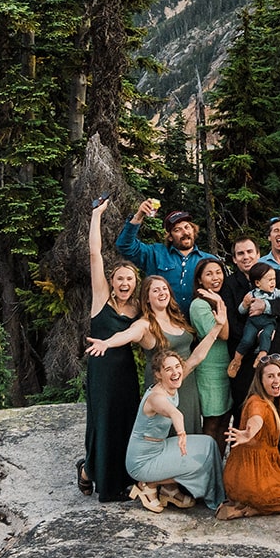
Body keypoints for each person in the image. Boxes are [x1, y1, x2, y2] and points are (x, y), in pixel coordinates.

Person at [87, 273, 218, 437]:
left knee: (188, 428)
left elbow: (196, 357)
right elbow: (127, 334)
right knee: (168, 431)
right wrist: (107, 343)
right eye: (156, 290)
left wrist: (218, 326)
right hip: (163, 385)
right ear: (147, 298)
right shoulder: (145, 325)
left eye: (164, 289)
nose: (162, 293)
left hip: (187, 383)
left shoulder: (178, 319)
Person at [80, 198, 140, 502]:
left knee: (126, 420)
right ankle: (95, 472)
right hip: (101, 371)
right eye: (120, 279)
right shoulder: (101, 299)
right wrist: (96, 215)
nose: (125, 283)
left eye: (130, 279)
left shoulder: (138, 308)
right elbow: (94, 254)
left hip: (125, 370)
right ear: (112, 282)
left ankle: (120, 476)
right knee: (102, 422)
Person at [123, 333, 224, 513]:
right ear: (158, 374)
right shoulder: (156, 397)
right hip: (142, 461)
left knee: (209, 445)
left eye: (177, 366)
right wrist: (181, 434)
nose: (175, 372)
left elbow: (196, 358)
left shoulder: (173, 381)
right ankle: (147, 485)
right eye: (168, 369)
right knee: (199, 463)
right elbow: (174, 413)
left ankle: (207, 495)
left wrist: (216, 328)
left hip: (159, 448)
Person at [218, 356, 280, 519]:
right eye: (270, 376)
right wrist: (249, 433)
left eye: (279, 375)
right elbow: (256, 419)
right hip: (252, 478)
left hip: (245, 475)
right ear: (260, 380)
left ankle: (243, 503)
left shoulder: (268, 401)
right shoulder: (257, 403)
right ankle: (250, 510)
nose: (277, 380)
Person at [114, 201, 218, 314]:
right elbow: (125, 246)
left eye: (187, 227)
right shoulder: (155, 253)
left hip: (199, 325)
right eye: (177, 230)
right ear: (170, 237)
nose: (184, 232)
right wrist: (139, 216)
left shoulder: (209, 261)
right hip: (162, 325)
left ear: (193, 230)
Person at [187, 258, 233, 444]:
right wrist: (220, 302)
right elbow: (223, 334)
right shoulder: (199, 305)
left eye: (218, 272)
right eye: (209, 274)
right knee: (212, 421)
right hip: (209, 370)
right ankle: (207, 469)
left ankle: (218, 468)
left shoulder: (216, 301)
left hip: (225, 368)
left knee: (224, 423)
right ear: (199, 280)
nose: (215, 277)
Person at [221, 235, 265, 406]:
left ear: (258, 254)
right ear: (234, 259)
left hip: (269, 352)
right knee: (244, 405)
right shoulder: (229, 285)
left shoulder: (271, 276)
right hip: (242, 357)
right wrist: (254, 338)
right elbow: (231, 323)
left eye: (249, 252)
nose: (246, 257)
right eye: (240, 254)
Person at [226, 263, 280, 379]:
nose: (273, 282)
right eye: (269, 280)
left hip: (269, 323)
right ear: (258, 283)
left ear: (257, 254)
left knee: (266, 336)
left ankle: (261, 358)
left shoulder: (276, 292)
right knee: (246, 340)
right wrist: (244, 304)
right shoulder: (251, 293)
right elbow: (240, 311)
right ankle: (237, 361)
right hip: (253, 322)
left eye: (273, 279)